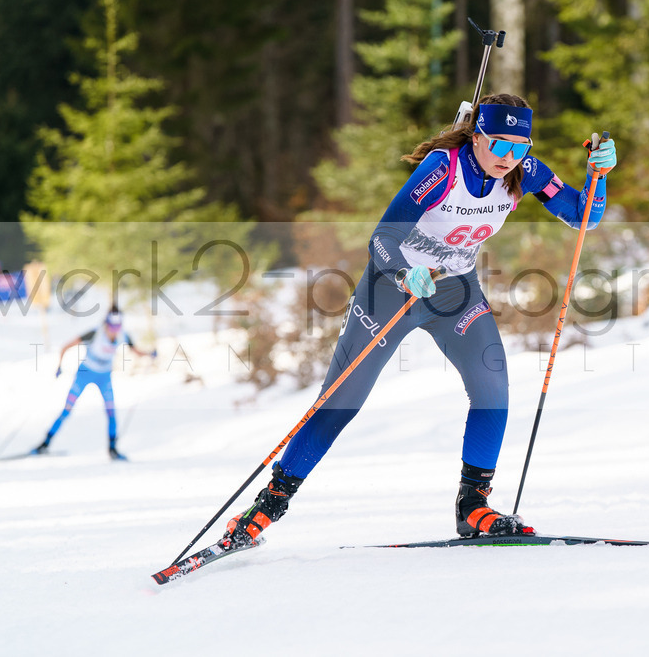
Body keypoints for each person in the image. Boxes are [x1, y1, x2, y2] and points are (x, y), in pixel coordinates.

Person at [222, 94, 617, 547]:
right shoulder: (442, 168)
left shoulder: (525, 172)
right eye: (499, 145)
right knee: (341, 401)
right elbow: (383, 238)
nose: (509, 158)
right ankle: (265, 508)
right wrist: (402, 272)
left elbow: (583, 216)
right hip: (392, 288)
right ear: (477, 135)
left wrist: (597, 177)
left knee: (492, 385)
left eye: (520, 147)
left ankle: (473, 506)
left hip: (455, 289)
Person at [32, 307, 155, 460]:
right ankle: (45, 444)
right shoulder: (94, 334)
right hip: (85, 373)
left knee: (111, 412)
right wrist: (59, 366)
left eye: (117, 327)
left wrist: (150, 354)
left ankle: (112, 449)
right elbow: (65, 347)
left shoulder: (123, 336)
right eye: (111, 326)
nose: (114, 331)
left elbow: (135, 350)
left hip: (104, 377)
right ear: (106, 323)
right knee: (67, 409)